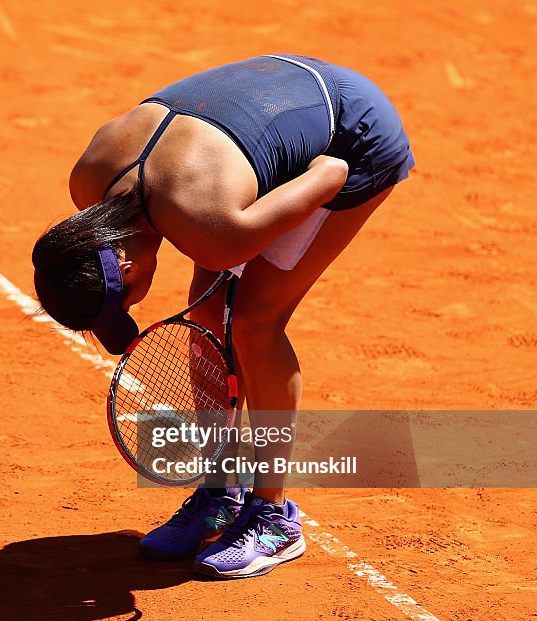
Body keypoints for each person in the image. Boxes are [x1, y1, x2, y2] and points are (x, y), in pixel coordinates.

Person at [31, 54, 414, 579]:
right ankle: (220, 488)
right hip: (262, 94)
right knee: (208, 312)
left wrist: (271, 192)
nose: (133, 307)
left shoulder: (211, 226)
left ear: (123, 260)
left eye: (125, 299)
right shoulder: (89, 184)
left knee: (256, 323)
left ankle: (275, 518)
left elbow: (331, 174)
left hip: (352, 133)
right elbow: (195, 202)